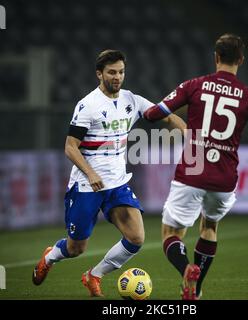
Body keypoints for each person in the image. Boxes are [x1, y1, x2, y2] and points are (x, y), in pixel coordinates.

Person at [144, 34, 248, 300]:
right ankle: (197, 289)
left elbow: (155, 114)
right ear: (241, 60)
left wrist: (147, 112)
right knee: (209, 227)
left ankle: (186, 269)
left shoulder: (194, 85)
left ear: (216, 57)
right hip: (224, 178)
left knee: (171, 232)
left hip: (193, 170)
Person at [32, 50, 186, 297]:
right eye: (112, 72)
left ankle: (94, 275)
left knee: (136, 237)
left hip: (117, 184)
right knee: (76, 248)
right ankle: (50, 257)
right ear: (99, 74)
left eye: (121, 72)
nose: (117, 77)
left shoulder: (131, 100)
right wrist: (91, 173)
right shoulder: (87, 106)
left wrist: (188, 131)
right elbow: (70, 147)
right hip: (86, 186)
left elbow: (164, 115)